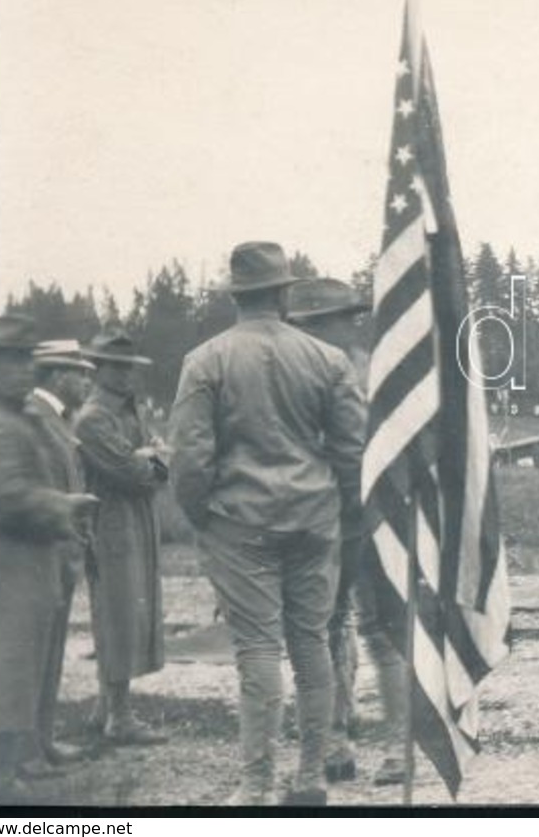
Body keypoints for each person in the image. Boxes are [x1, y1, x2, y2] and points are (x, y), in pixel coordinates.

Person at [169, 242, 366, 807]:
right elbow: (352, 450)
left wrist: (201, 515)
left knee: (257, 649)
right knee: (310, 643)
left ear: (237, 296)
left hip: (240, 521)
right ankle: (310, 776)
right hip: (313, 519)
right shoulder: (328, 360)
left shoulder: (205, 360)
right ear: (283, 294)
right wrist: (339, 509)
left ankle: (256, 783)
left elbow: (189, 457)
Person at [284, 277, 406, 788]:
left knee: (383, 630)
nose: (341, 328)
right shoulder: (295, 375)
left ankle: (400, 744)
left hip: (368, 514)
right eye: (325, 322)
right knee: (327, 628)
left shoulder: (372, 372)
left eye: (340, 320)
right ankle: (335, 738)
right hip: (320, 516)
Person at [0, 316, 99, 800]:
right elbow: (6, 498)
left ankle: (6, 774)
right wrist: (60, 506)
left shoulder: (11, 415)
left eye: (26, 359)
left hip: (19, 568)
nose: (25, 370)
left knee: (14, 671)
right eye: (12, 360)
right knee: (3, 674)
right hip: (5, 572)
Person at [75, 328, 170, 748]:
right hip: (111, 521)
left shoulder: (128, 411)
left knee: (132, 610)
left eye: (131, 366)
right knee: (117, 614)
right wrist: (149, 462)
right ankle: (119, 715)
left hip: (136, 519)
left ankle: (105, 706)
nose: (127, 374)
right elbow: (131, 471)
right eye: (118, 367)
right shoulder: (94, 417)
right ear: (98, 370)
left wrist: (152, 460)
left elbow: (154, 460)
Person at [24, 340, 100, 776]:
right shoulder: (36, 418)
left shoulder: (58, 419)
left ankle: (43, 739)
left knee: (52, 649)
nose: (87, 381)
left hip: (62, 550)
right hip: (45, 550)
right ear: (55, 376)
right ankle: (26, 749)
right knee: (35, 651)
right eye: (80, 373)